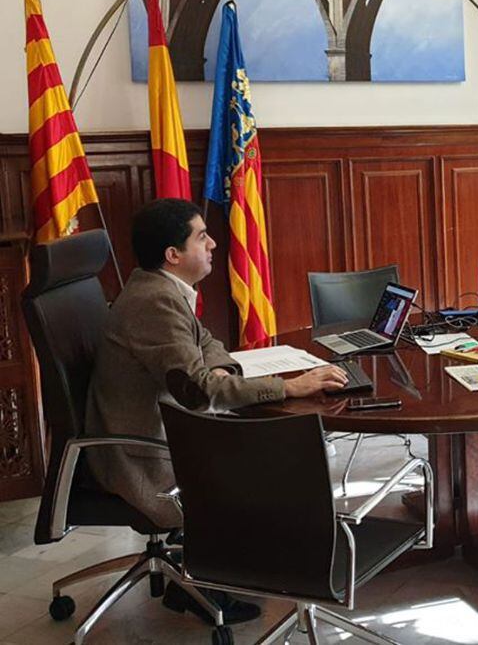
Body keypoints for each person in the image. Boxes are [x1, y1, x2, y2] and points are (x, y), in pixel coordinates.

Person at [84, 200, 348, 619]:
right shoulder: (155, 301)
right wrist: (289, 386)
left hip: (164, 432)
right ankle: (220, 577)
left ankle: (225, 568)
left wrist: (221, 371)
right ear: (173, 255)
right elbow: (199, 393)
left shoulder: (160, 287)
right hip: (144, 456)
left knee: (273, 446)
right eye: (201, 236)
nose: (213, 244)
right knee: (282, 456)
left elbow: (206, 343)